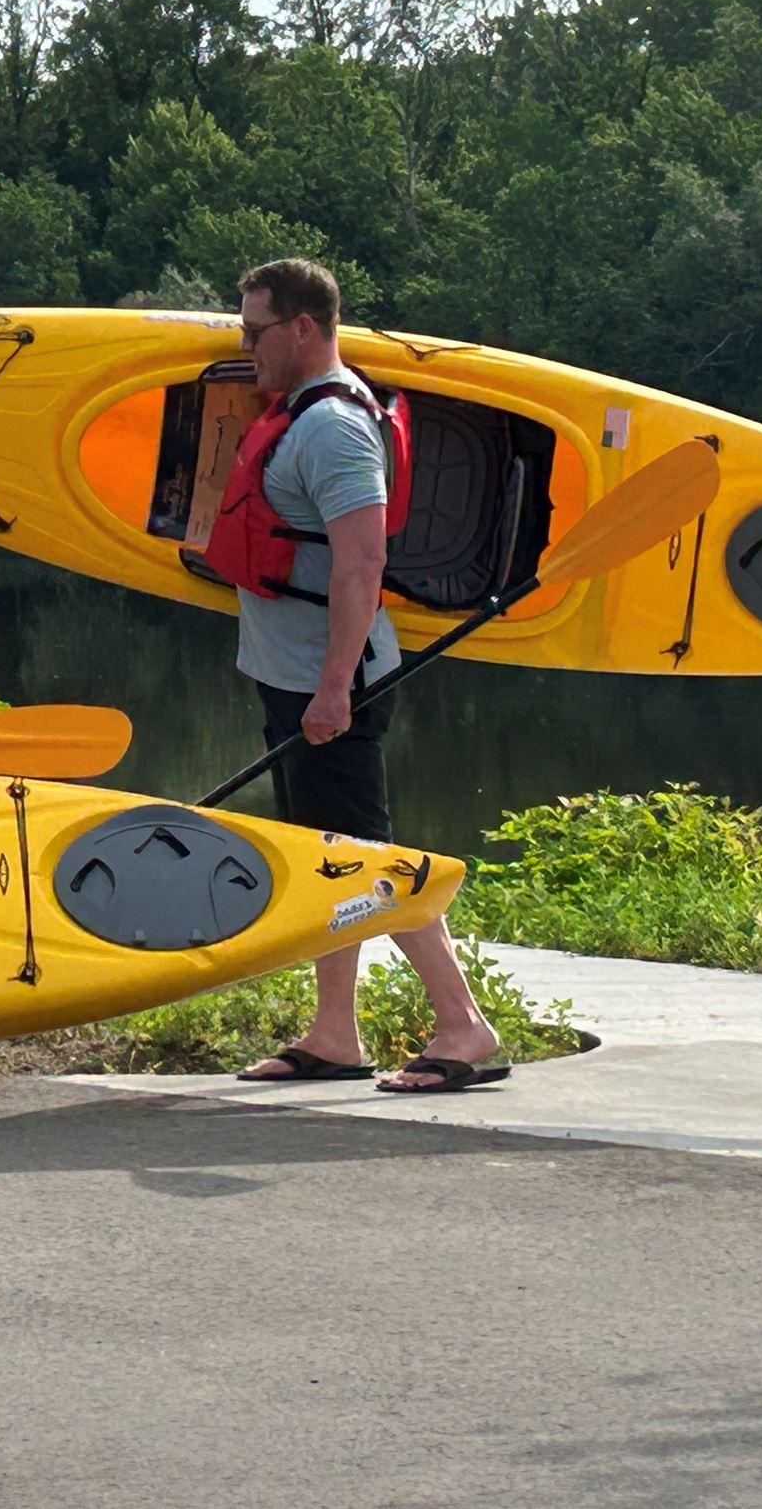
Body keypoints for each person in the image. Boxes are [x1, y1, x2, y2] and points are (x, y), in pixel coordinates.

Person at [201, 258, 505, 1093]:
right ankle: (335, 1031)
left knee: (370, 859)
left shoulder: (333, 429)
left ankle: (464, 1024)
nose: (246, 345)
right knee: (325, 858)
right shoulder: (298, 414)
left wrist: (335, 686)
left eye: (255, 330)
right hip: (294, 675)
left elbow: (361, 561)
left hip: (330, 683)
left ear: (303, 328)